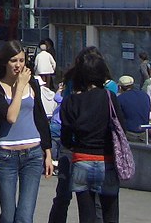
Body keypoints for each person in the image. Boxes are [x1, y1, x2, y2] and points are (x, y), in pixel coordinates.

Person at [0, 39, 53, 223]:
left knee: (24, 216)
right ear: (5, 62)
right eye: (13, 60)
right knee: (8, 216)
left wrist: (47, 152)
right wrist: (20, 86)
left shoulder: (33, 84)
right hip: (7, 156)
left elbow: (40, 116)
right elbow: (11, 117)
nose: (18, 65)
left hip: (33, 154)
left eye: (22, 60)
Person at [60, 46, 121, 223]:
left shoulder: (72, 100)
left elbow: (65, 136)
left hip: (81, 160)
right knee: (110, 212)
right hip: (106, 160)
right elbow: (120, 129)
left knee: (87, 215)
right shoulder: (109, 97)